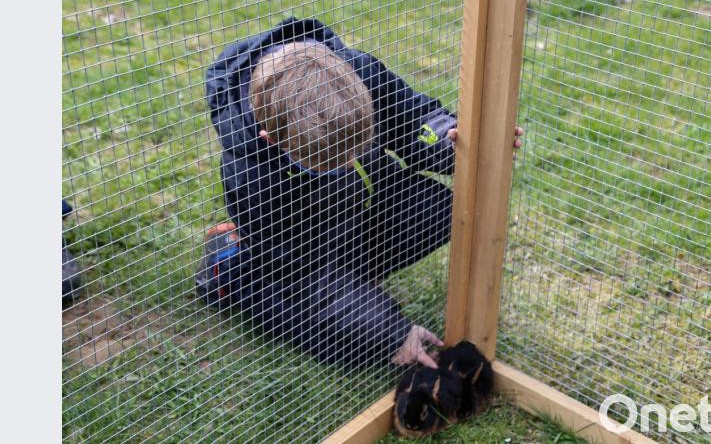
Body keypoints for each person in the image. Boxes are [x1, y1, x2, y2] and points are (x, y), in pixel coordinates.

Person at [198, 18, 522, 368]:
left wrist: (455, 140)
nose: (351, 162)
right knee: (347, 346)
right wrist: (389, 331)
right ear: (272, 140)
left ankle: (352, 292)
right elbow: (304, 272)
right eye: (330, 160)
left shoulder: (358, 72)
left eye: (358, 146)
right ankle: (227, 265)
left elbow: (415, 120)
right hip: (300, 252)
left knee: (446, 210)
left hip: (360, 209)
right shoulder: (251, 174)